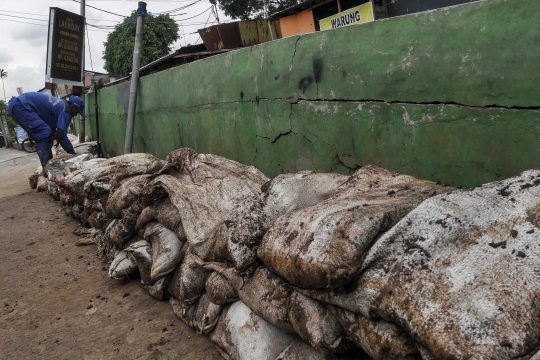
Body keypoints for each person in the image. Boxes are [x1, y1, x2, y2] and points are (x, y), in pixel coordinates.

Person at [7, 92, 84, 169]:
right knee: (45, 134)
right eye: (77, 112)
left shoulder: (60, 105)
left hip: (18, 105)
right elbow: (61, 134)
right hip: (21, 106)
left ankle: (47, 165)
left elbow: (53, 127)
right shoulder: (66, 110)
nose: (76, 115)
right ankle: (48, 168)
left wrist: (54, 134)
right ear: (73, 106)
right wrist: (72, 153)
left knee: (47, 134)